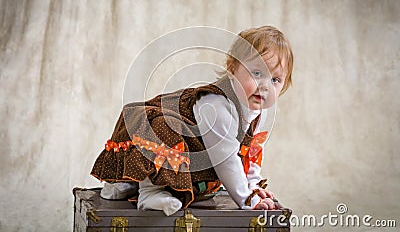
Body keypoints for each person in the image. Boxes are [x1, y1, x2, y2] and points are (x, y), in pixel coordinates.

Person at [90, 25, 293, 216]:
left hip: (196, 147)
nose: (265, 86)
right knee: (163, 129)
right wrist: (247, 200)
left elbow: (250, 153)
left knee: (188, 155)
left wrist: (254, 187)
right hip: (160, 123)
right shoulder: (217, 106)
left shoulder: (259, 110)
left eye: (275, 79)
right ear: (232, 68)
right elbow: (226, 159)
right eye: (256, 73)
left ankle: (130, 185)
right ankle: (148, 192)